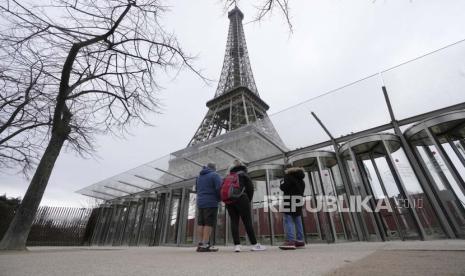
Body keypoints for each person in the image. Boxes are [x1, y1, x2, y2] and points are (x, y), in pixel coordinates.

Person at [225, 160, 266, 252]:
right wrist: (248, 200)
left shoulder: (228, 176)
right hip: (242, 199)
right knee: (247, 221)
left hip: (229, 200)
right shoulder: (243, 174)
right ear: (242, 166)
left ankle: (237, 245)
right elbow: (250, 188)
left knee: (234, 221)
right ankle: (254, 244)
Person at [196, 162, 222, 252]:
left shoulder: (199, 176)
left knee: (201, 223)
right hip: (211, 202)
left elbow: (197, 189)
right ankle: (205, 244)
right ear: (214, 168)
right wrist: (220, 199)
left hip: (200, 202)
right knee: (208, 223)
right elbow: (219, 188)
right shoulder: (215, 175)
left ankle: (200, 243)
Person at [279, 164, 306, 250]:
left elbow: (284, 187)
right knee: (298, 220)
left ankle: (290, 241)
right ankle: (300, 241)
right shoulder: (301, 179)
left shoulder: (288, 176)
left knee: (288, 219)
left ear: (286, 170)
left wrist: (281, 183)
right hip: (298, 200)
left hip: (289, 200)